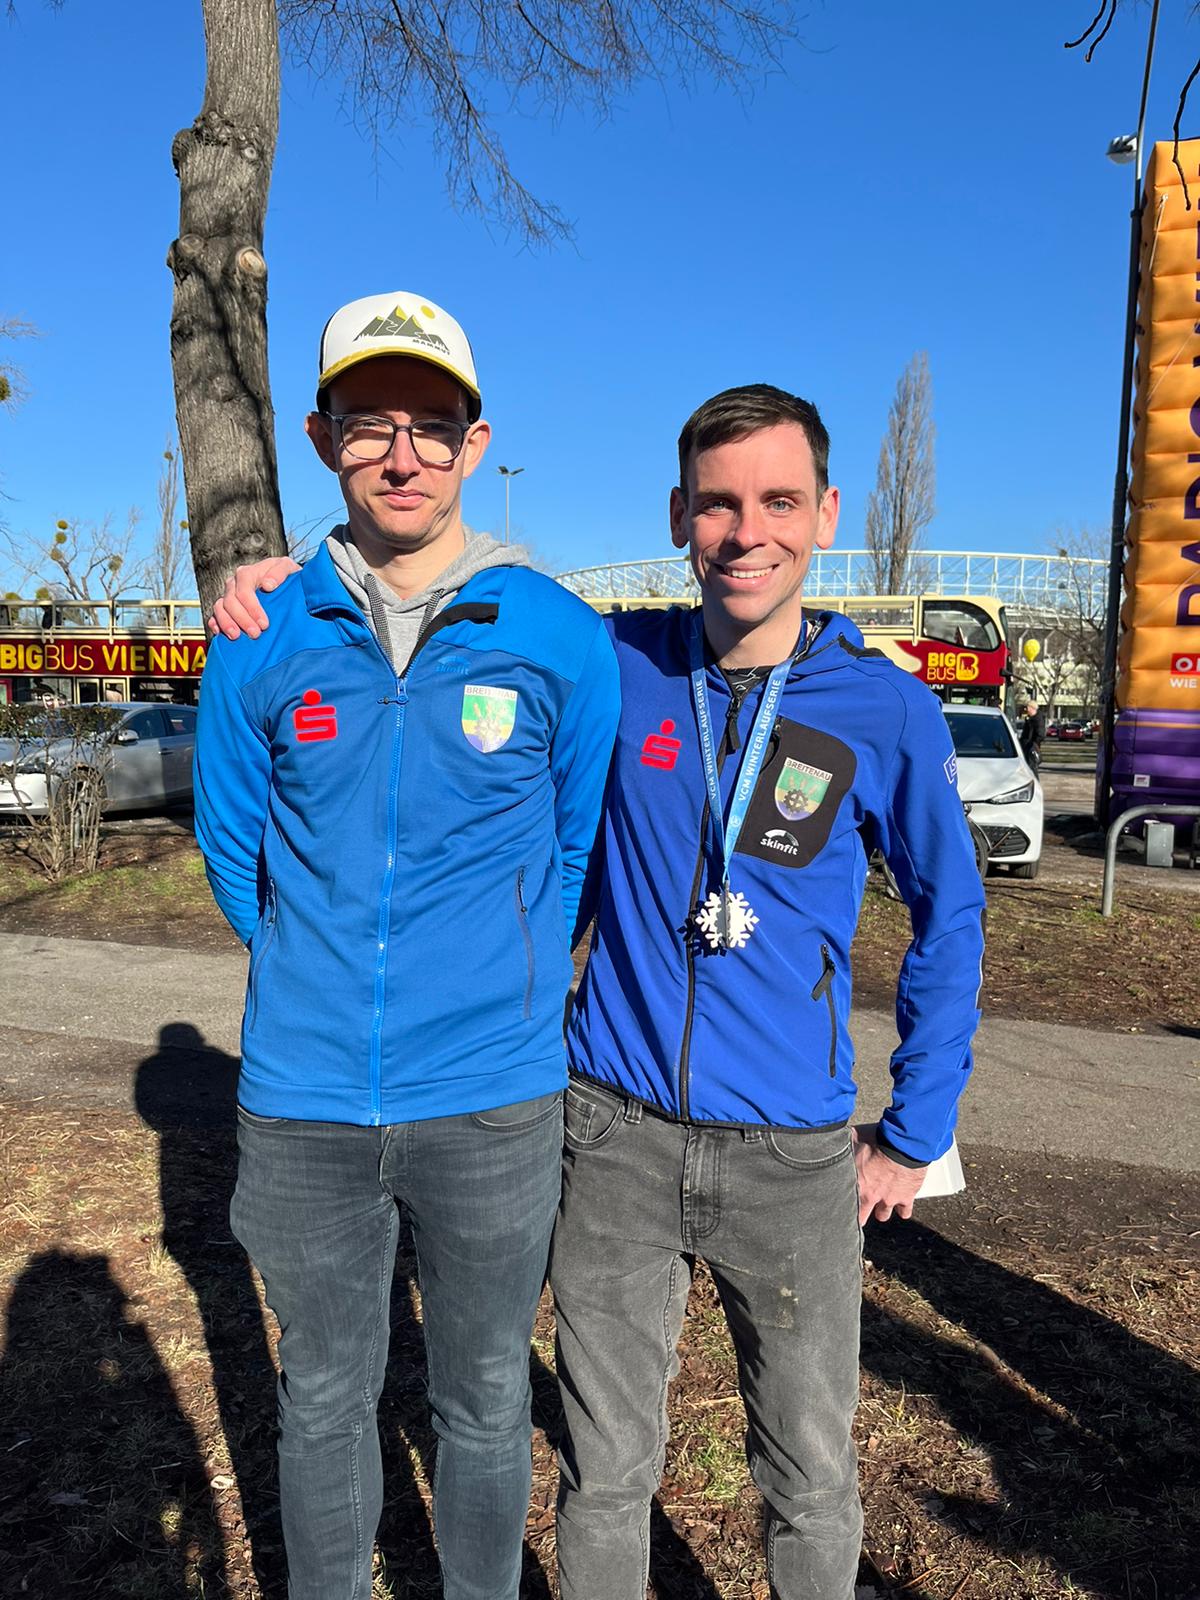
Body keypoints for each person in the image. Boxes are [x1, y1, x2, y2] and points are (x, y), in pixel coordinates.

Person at [213, 383, 986, 1600]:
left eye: (780, 502)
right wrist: (279, 577)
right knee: (605, 1469)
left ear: (829, 513)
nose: (748, 532)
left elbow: (953, 915)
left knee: (809, 1471)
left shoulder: (883, 706)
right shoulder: (612, 659)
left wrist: (917, 1127)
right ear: (679, 516)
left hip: (792, 1151)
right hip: (613, 1133)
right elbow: (549, 820)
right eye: (719, 504)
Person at [193, 290, 620, 1600]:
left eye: (431, 425)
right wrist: (315, 966)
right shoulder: (260, 635)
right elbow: (236, 855)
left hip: (492, 1100)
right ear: (322, 438)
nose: (401, 454)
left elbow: (571, 853)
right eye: (370, 422)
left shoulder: (556, 633)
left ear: (474, 443)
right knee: (323, 1396)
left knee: (485, 1398)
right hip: (305, 1102)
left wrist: (498, 976)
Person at [1019, 699, 1045, 772]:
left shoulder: (1038, 719)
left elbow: (1040, 734)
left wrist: (1034, 745)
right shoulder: (1030, 718)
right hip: (1026, 746)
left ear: (1031, 708)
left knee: (1032, 769)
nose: (1025, 709)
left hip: (1031, 748)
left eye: (1027, 707)